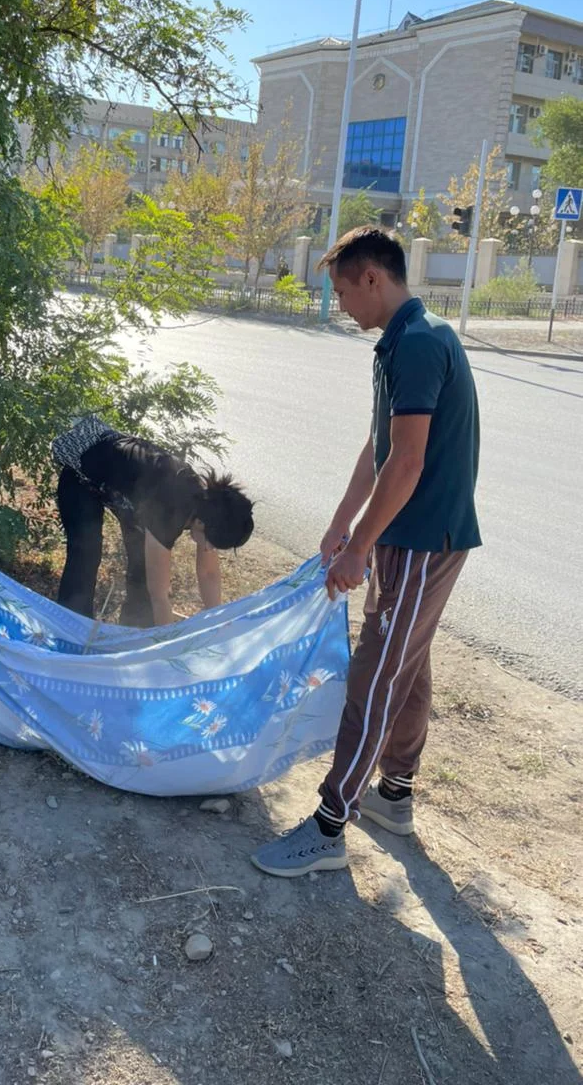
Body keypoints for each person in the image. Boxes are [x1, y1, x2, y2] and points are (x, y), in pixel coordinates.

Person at [251, 226, 480, 877]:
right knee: (407, 661)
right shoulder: (402, 341)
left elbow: (406, 465)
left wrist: (360, 548)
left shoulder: (419, 342)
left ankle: (330, 825)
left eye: (343, 291)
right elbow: (379, 445)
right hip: (408, 537)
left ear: (373, 278)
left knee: (376, 674)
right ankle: (395, 794)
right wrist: (342, 525)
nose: (341, 304)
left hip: (421, 539)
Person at [53, 415, 254, 627]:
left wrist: (219, 622)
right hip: (82, 474)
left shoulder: (209, 507)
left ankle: (135, 630)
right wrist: (165, 642)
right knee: (86, 553)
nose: (209, 549)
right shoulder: (170, 510)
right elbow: (159, 595)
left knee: (142, 568)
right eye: (211, 544)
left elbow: (209, 573)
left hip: (129, 494)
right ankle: (72, 626)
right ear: (202, 524)